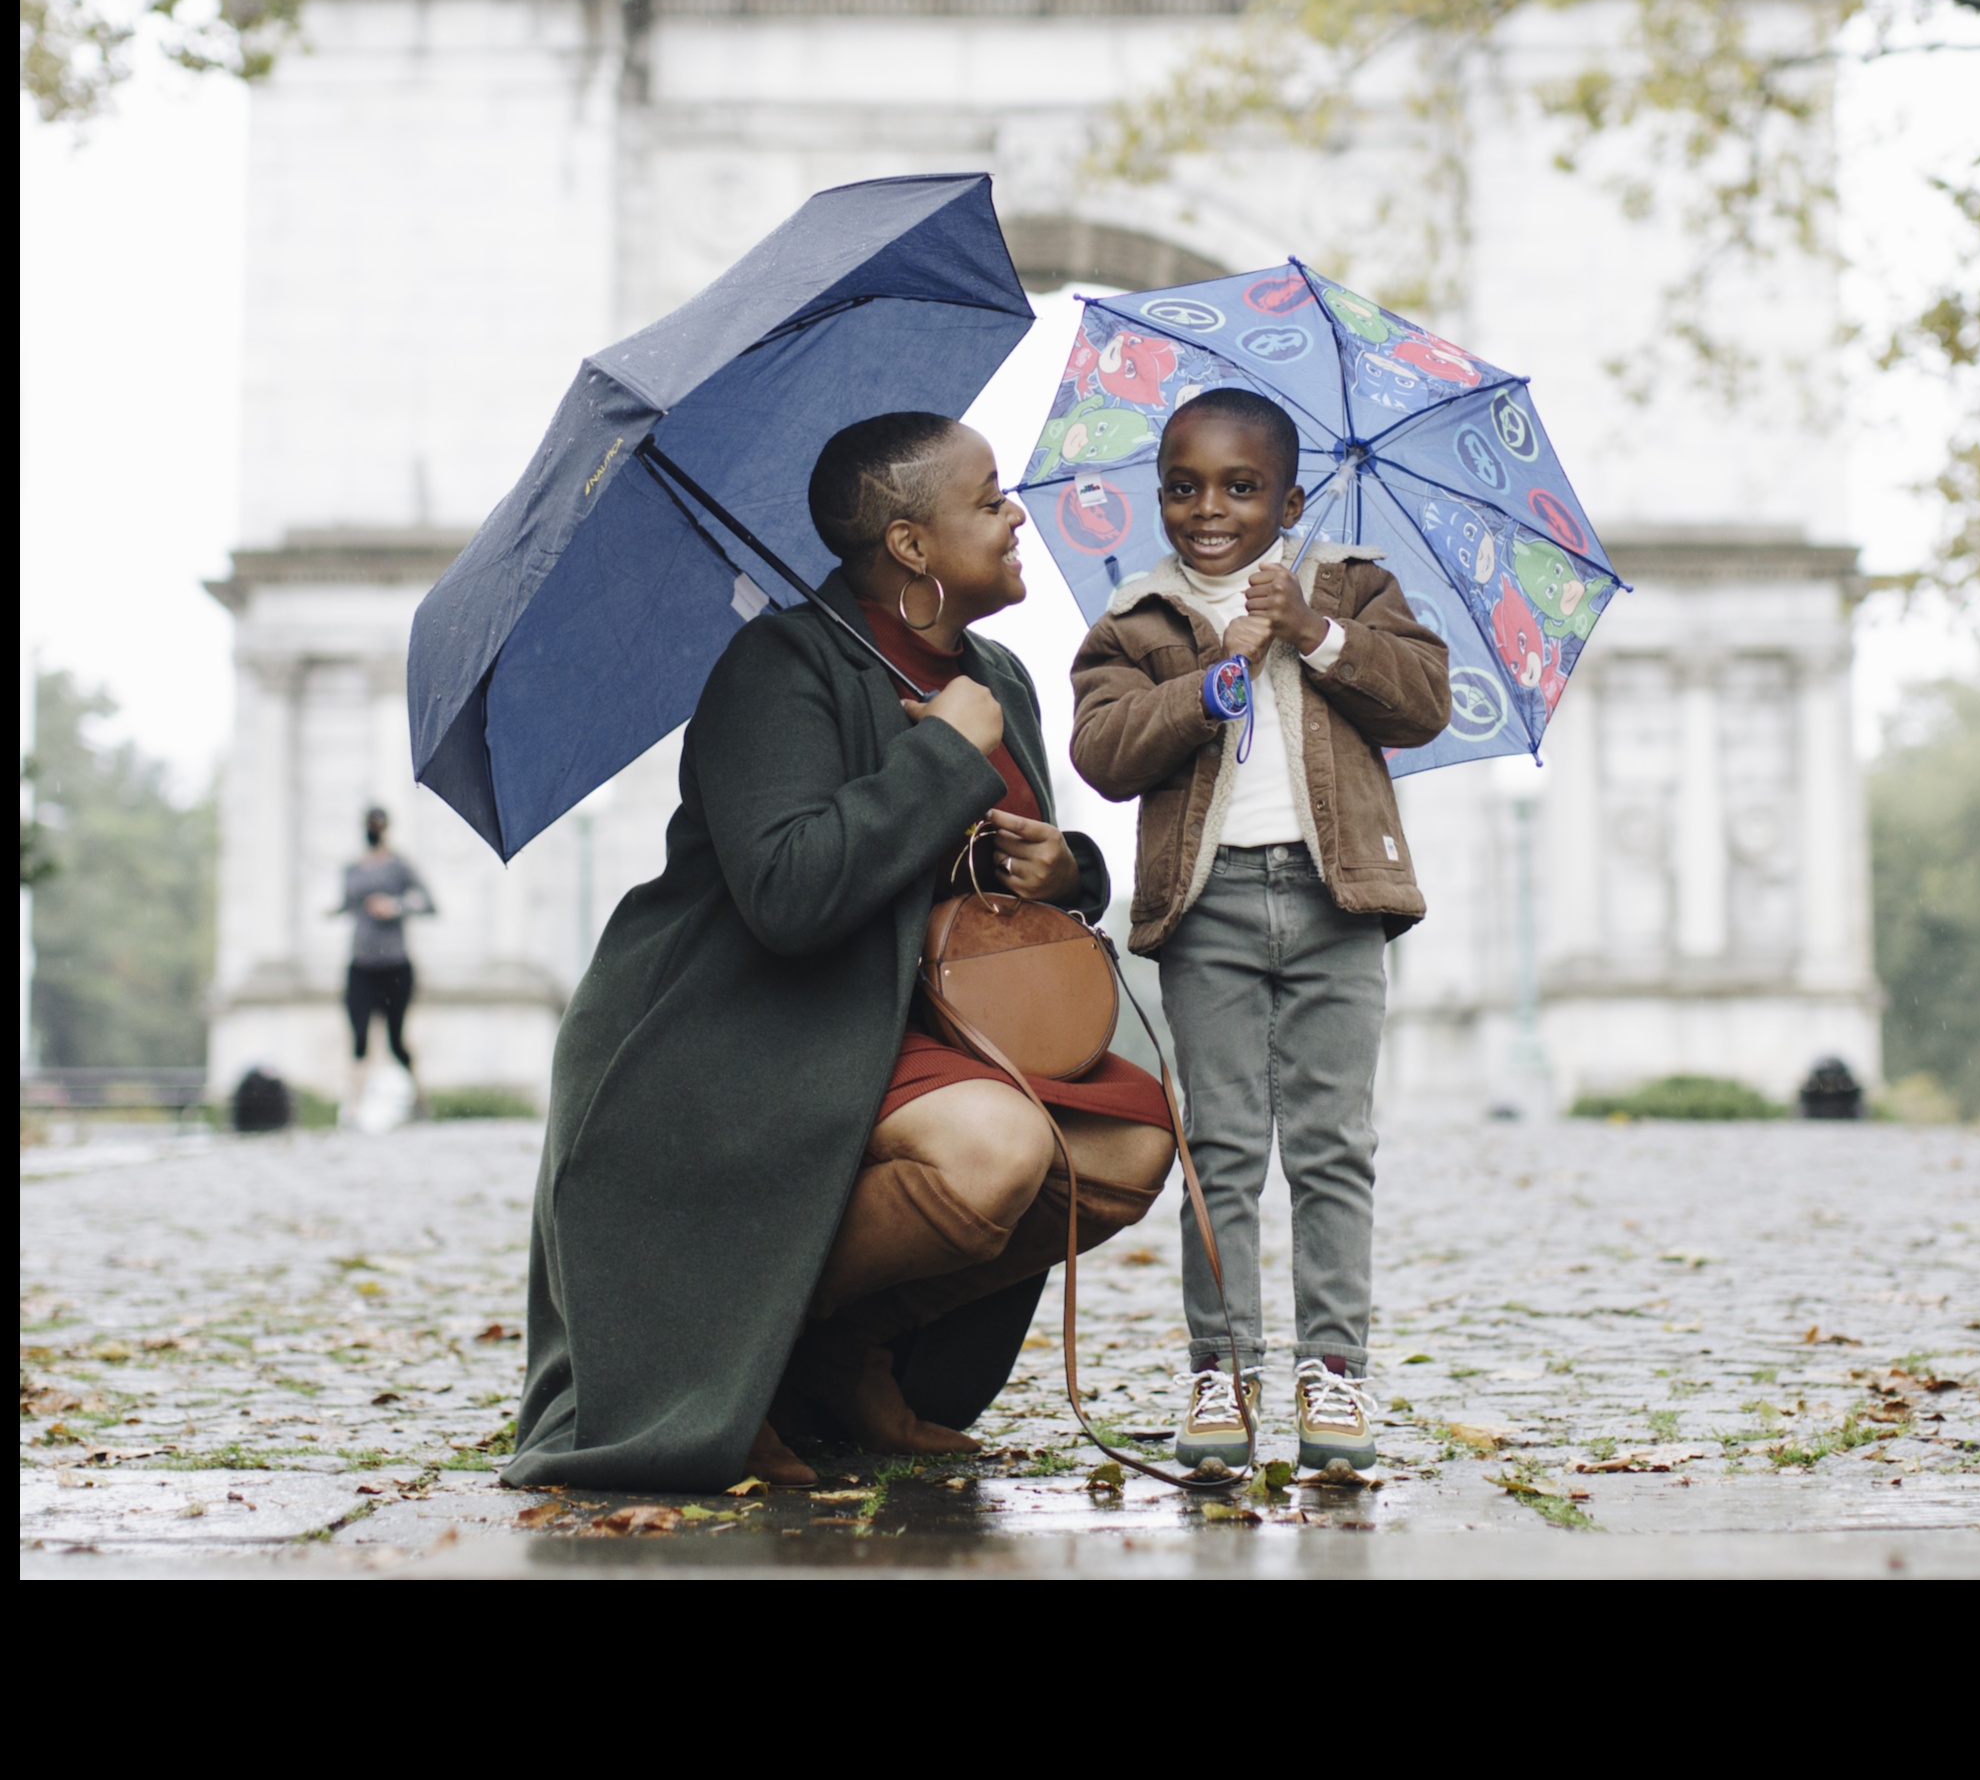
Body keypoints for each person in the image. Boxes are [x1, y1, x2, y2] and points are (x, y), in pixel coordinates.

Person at [507, 413, 1176, 1494]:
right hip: (753, 1027)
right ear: (910, 545)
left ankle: (837, 1352)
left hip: (919, 1020)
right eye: (988, 496)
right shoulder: (778, 664)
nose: (1015, 515)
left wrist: (1068, 871)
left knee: (1129, 1147)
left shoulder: (1002, 677)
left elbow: (987, 893)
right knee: (997, 1149)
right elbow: (789, 893)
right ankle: (739, 1365)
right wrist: (946, 757)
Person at [1070, 387, 1451, 1471]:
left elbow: (1422, 699)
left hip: (1341, 900)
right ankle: (1222, 1371)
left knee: (1335, 1145)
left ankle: (1333, 1374)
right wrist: (1217, 674)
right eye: (1183, 487)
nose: (1210, 510)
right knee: (1222, 1152)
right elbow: (1103, 750)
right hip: (1210, 908)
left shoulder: (1354, 586)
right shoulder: (1136, 618)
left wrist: (1314, 633)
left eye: (1241, 488)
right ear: (1159, 498)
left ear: (1287, 497)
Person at [338, 807, 436, 1119]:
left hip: (394, 965)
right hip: (361, 963)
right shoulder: (352, 869)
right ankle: (352, 1108)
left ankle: (420, 1101)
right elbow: (348, 905)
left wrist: (395, 906)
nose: (373, 830)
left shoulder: (399, 866)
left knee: (396, 1039)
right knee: (359, 1036)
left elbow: (430, 904)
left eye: (377, 825)